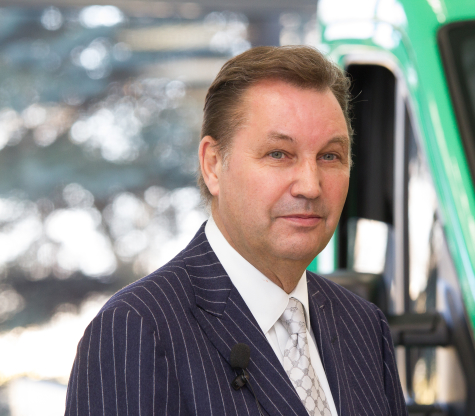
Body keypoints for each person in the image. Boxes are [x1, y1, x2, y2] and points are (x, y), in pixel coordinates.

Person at [65, 45, 407, 416]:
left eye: (329, 156)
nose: (310, 186)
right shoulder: (138, 329)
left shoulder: (363, 325)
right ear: (213, 165)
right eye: (279, 154)